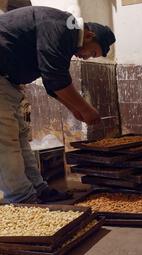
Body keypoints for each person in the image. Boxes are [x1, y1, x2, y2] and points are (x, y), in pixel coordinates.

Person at [0, 6, 116, 203]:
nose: (86, 57)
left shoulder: (67, 34)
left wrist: (75, 110)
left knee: (19, 138)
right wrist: (86, 110)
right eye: (92, 52)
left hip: (7, 82)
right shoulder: (63, 27)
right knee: (5, 140)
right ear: (89, 35)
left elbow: (52, 83)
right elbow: (55, 78)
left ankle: (38, 189)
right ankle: (22, 199)